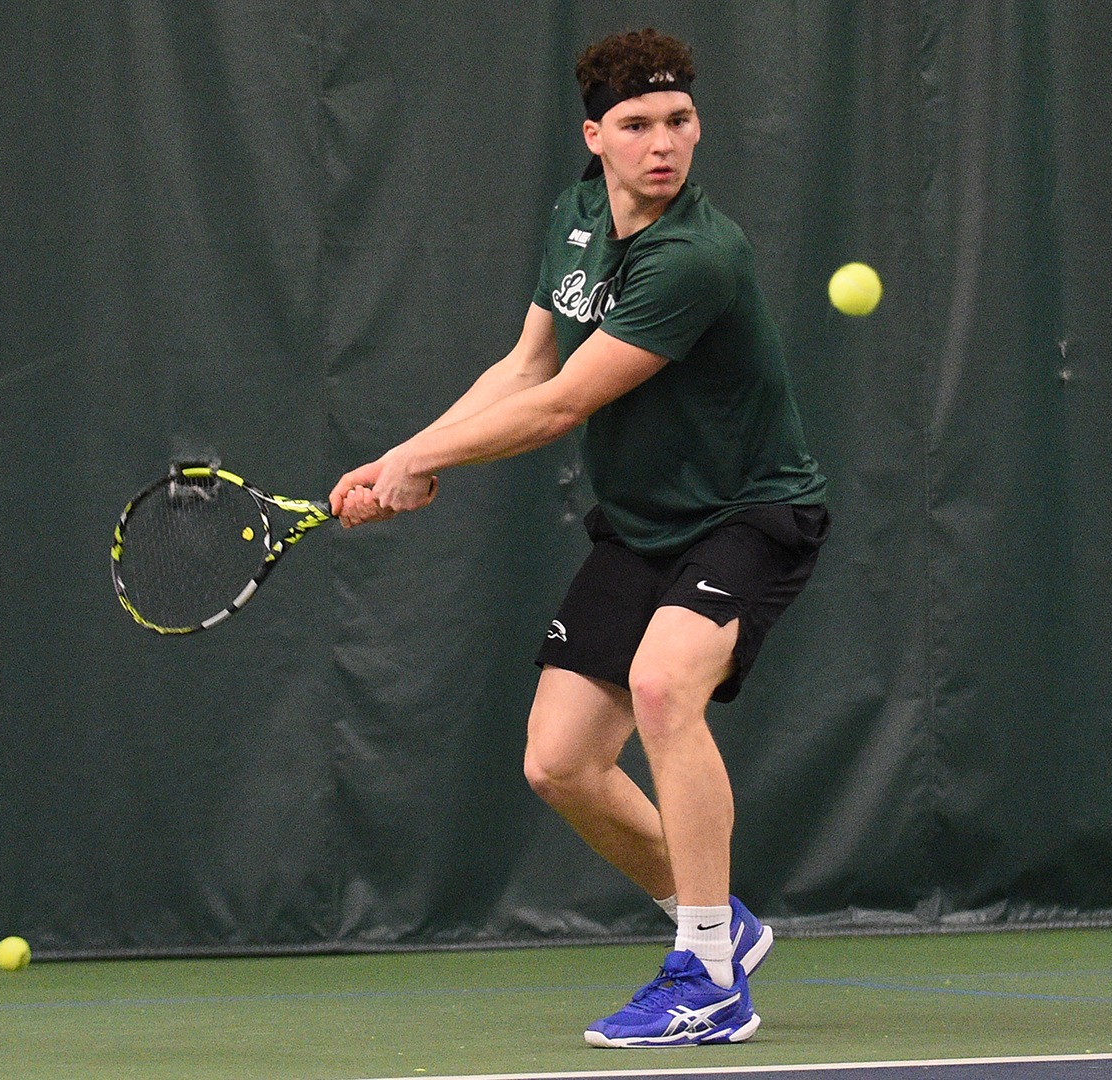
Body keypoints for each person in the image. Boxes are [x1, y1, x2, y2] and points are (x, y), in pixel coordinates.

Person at [329, 26, 828, 1048]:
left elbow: (560, 408)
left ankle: (706, 973)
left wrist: (425, 466)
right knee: (558, 763)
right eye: (639, 125)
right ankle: (720, 921)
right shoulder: (574, 218)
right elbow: (525, 365)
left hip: (749, 515)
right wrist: (400, 456)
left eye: (680, 121)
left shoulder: (696, 255)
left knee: (661, 687)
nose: (664, 144)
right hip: (643, 526)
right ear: (594, 134)